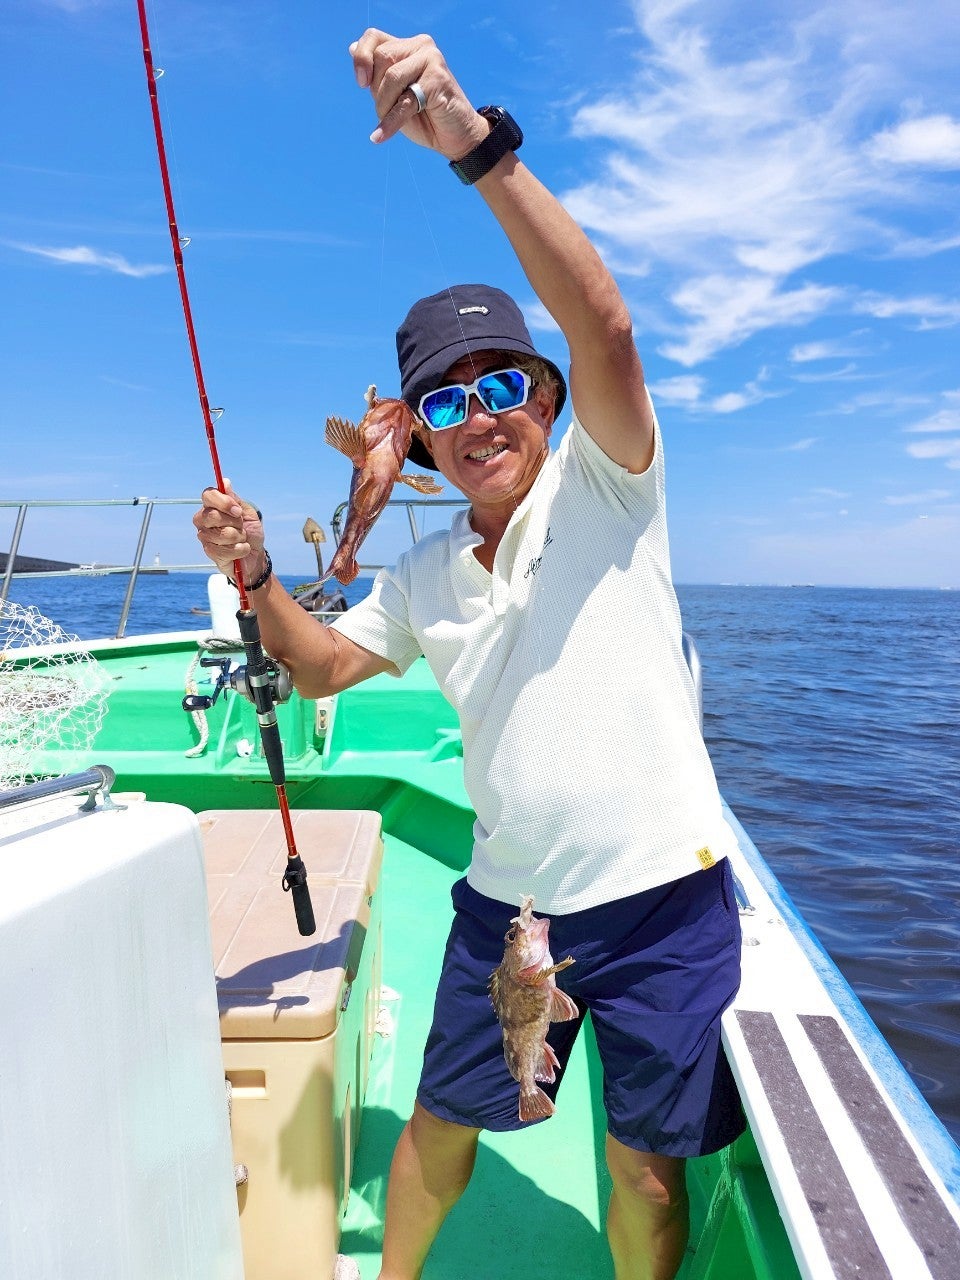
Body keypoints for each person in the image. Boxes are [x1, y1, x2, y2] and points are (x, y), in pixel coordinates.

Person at [194, 29, 745, 1280]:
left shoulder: (611, 487)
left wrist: (474, 146)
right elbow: (324, 667)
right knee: (444, 1126)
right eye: (443, 401)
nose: (478, 411)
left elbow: (603, 324)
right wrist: (259, 575)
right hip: (509, 911)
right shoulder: (425, 571)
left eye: (505, 382)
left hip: (664, 899)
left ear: (547, 401)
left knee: (644, 1165)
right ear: (424, 440)